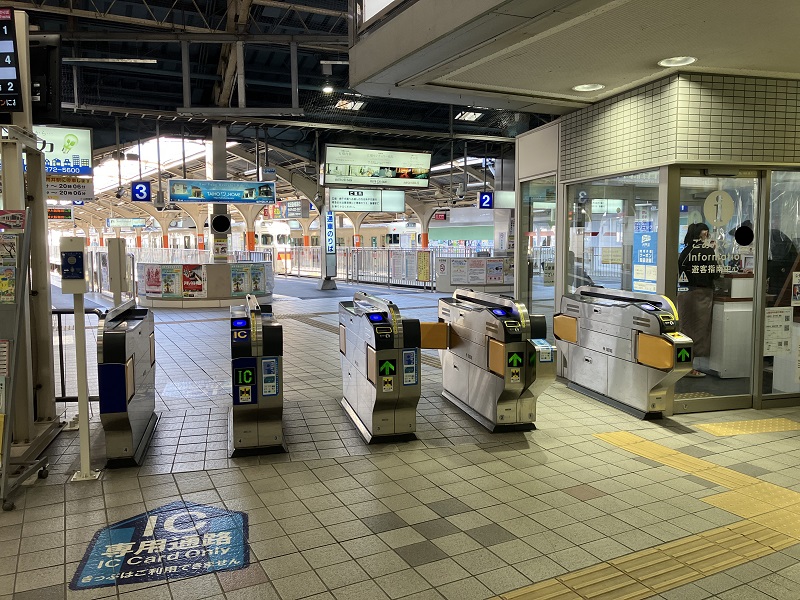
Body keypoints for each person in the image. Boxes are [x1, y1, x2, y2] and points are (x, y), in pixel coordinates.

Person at [677, 223, 719, 377]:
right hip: (700, 294)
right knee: (696, 332)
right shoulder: (706, 251)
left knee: (685, 331)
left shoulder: (685, 251)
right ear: (703, 234)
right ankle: (688, 368)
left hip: (684, 293)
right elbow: (715, 273)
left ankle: (682, 366)